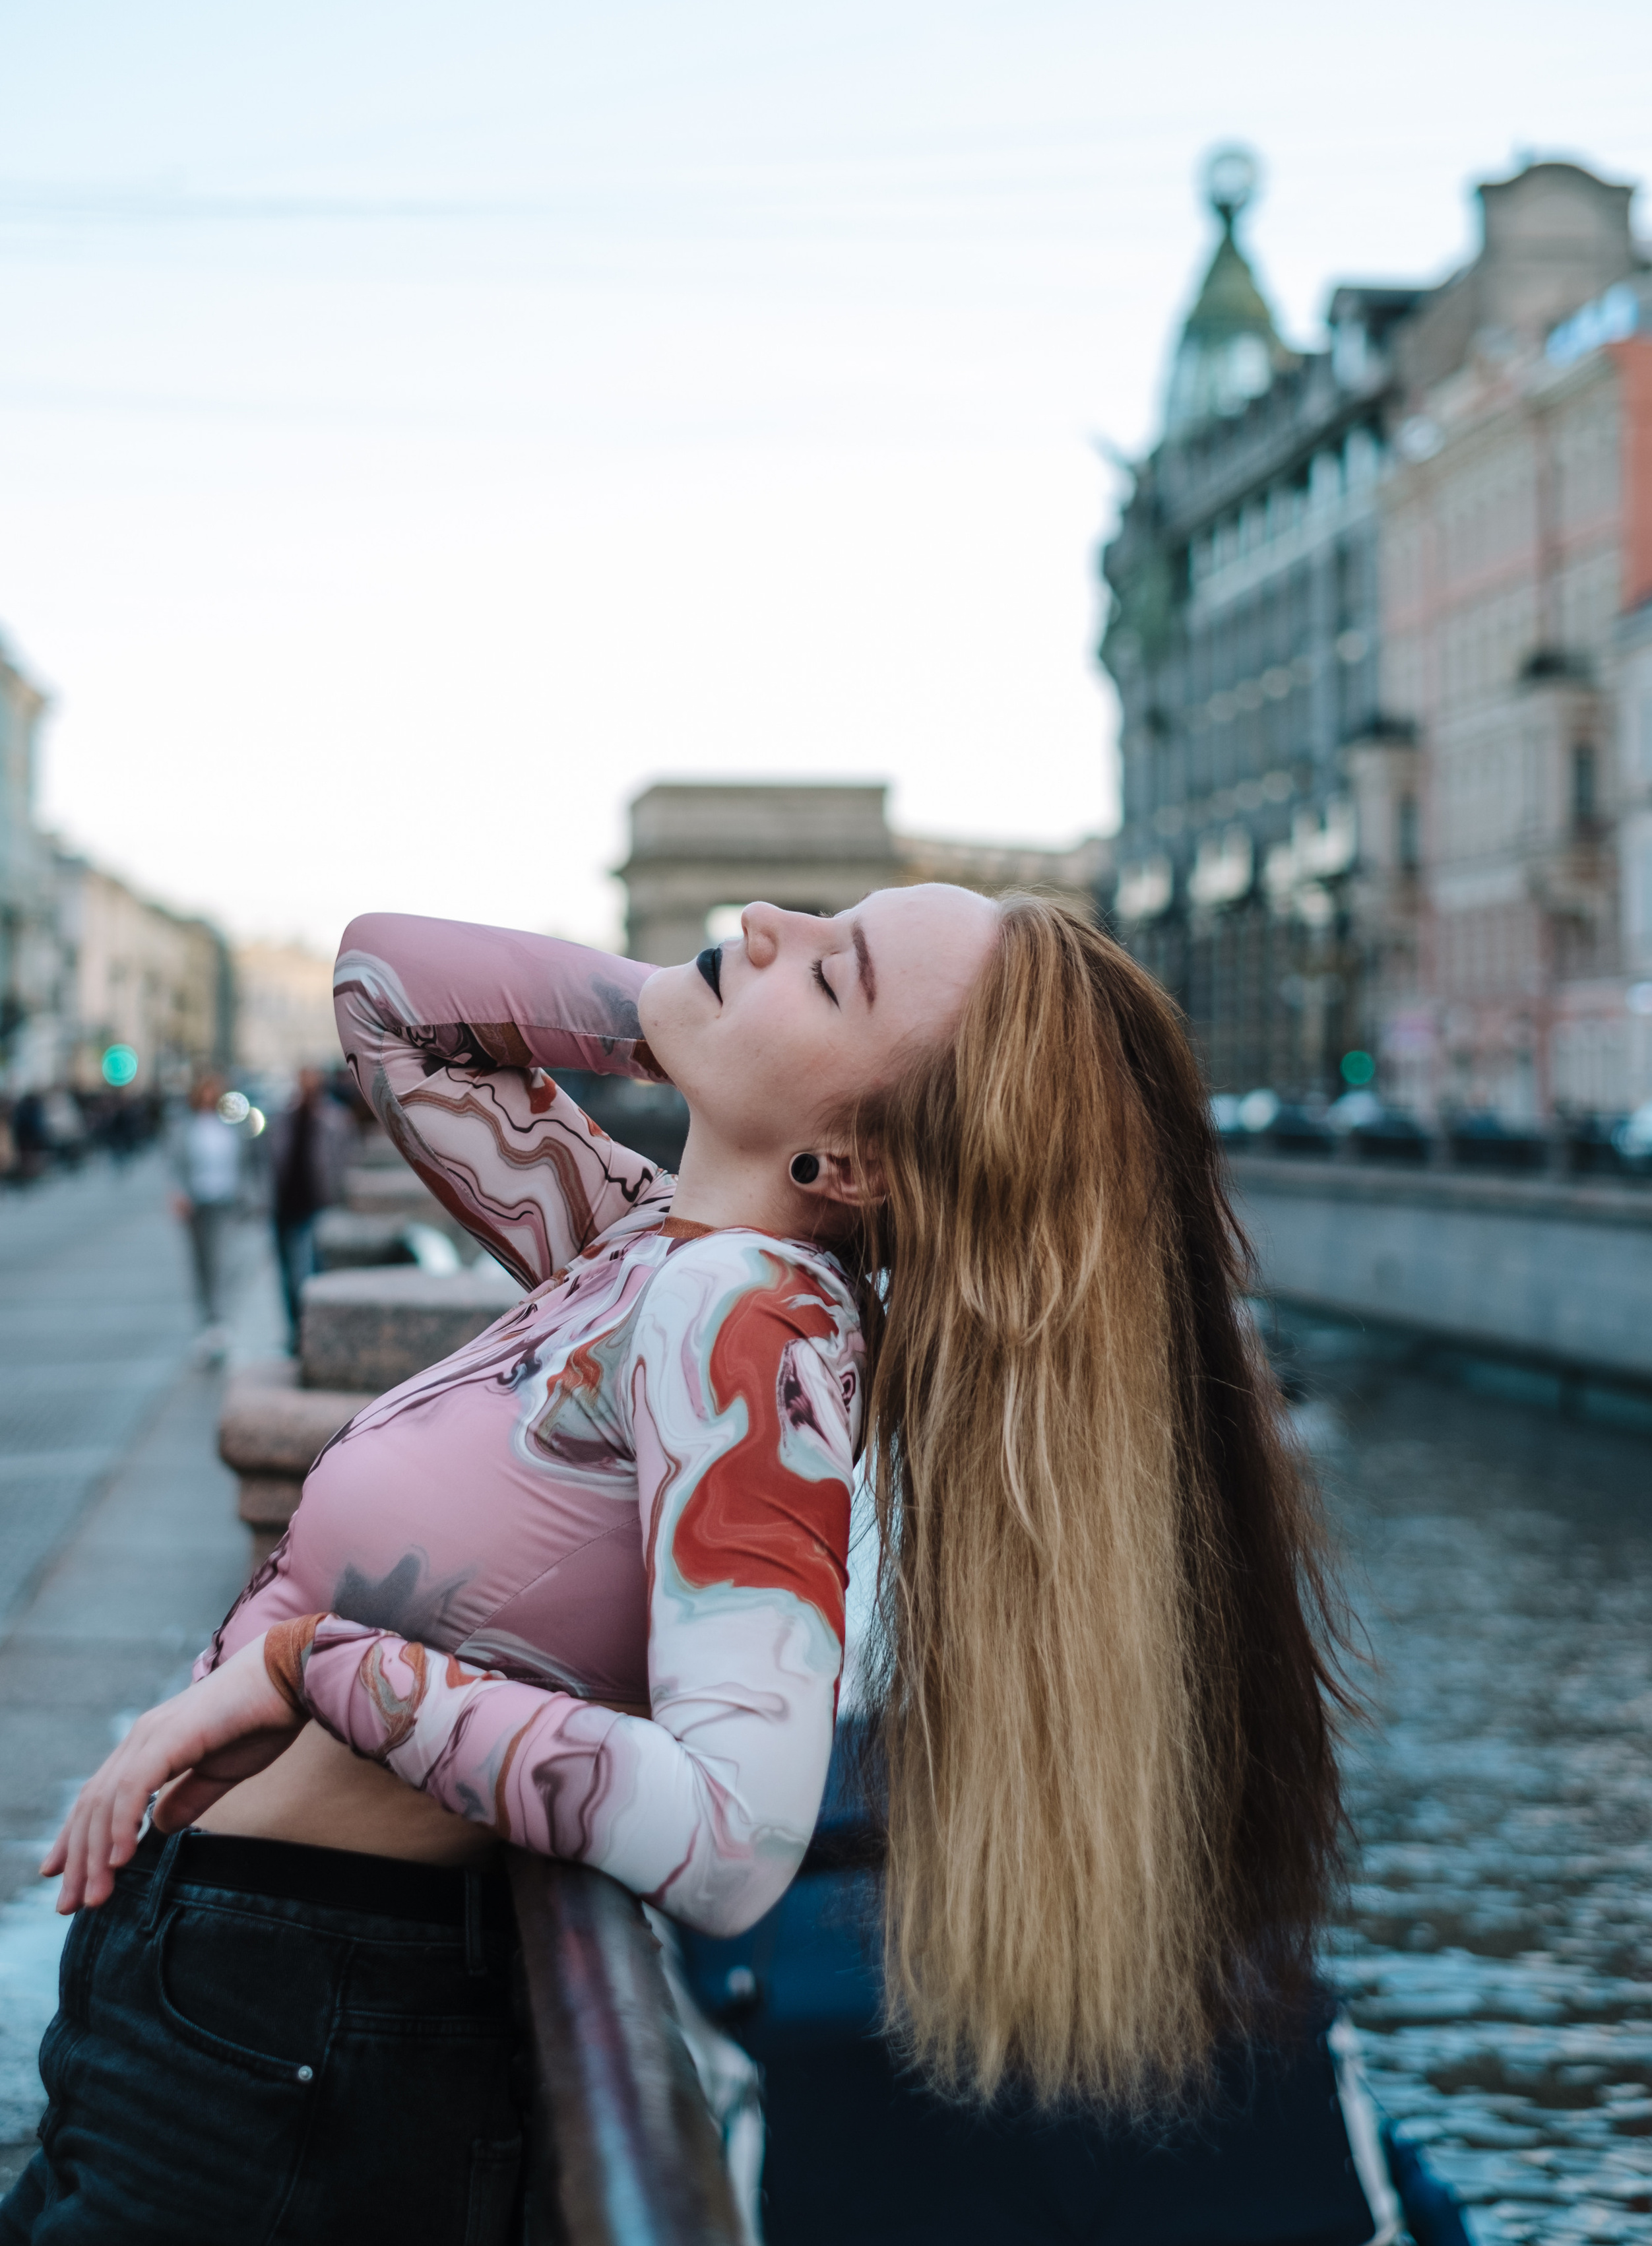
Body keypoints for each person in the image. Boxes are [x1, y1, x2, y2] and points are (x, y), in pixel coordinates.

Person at [6, 897, 1348, 2245]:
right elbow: (386, 986)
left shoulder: (746, 1331)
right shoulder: (647, 1249)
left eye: (836, 977)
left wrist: (313, 1668)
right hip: (221, 1984)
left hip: (289, 2030)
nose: (766, 923)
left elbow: (726, 1842)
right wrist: (699, 1016)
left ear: (853, 1159)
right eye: (812, 922)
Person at [266, 1066, 353, 1351]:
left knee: (303, 1272)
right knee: (285, 1274)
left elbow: (343, 1164)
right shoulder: (283, 1117)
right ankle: (295, 1330)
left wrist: (335, 1198)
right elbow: (266, 1158)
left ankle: (306, 1333)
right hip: (282, 1206)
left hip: (314, 1206)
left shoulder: (334, 1119)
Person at [168, 1074, 243, 1351]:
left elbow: (244, 1163)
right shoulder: (186, 1128)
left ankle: (220, 1320)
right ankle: (206, 1321)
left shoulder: (231, 1126)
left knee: (221, 1262)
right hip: (197, 1202)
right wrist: (177, 1193)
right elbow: (175, 1163)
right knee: (200, 1264)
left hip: (224, 1201)